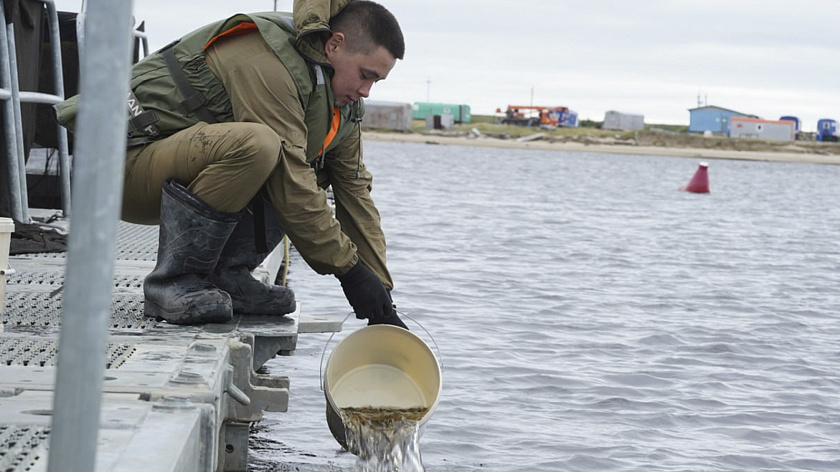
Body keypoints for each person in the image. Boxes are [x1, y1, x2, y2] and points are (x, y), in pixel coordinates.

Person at [54, 0, 408, 329]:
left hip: (175, 172)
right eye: (366, 74)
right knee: (261, 146)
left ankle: (229, 277)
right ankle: (173, 282)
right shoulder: (269, 59)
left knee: (309, 163)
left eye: (376, 80)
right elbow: (291, 179)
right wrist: (349, 270)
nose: (367, 91)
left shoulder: (342, 105)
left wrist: (380, 290)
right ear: (334, 45)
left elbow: (356, 193)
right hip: (114, 169)